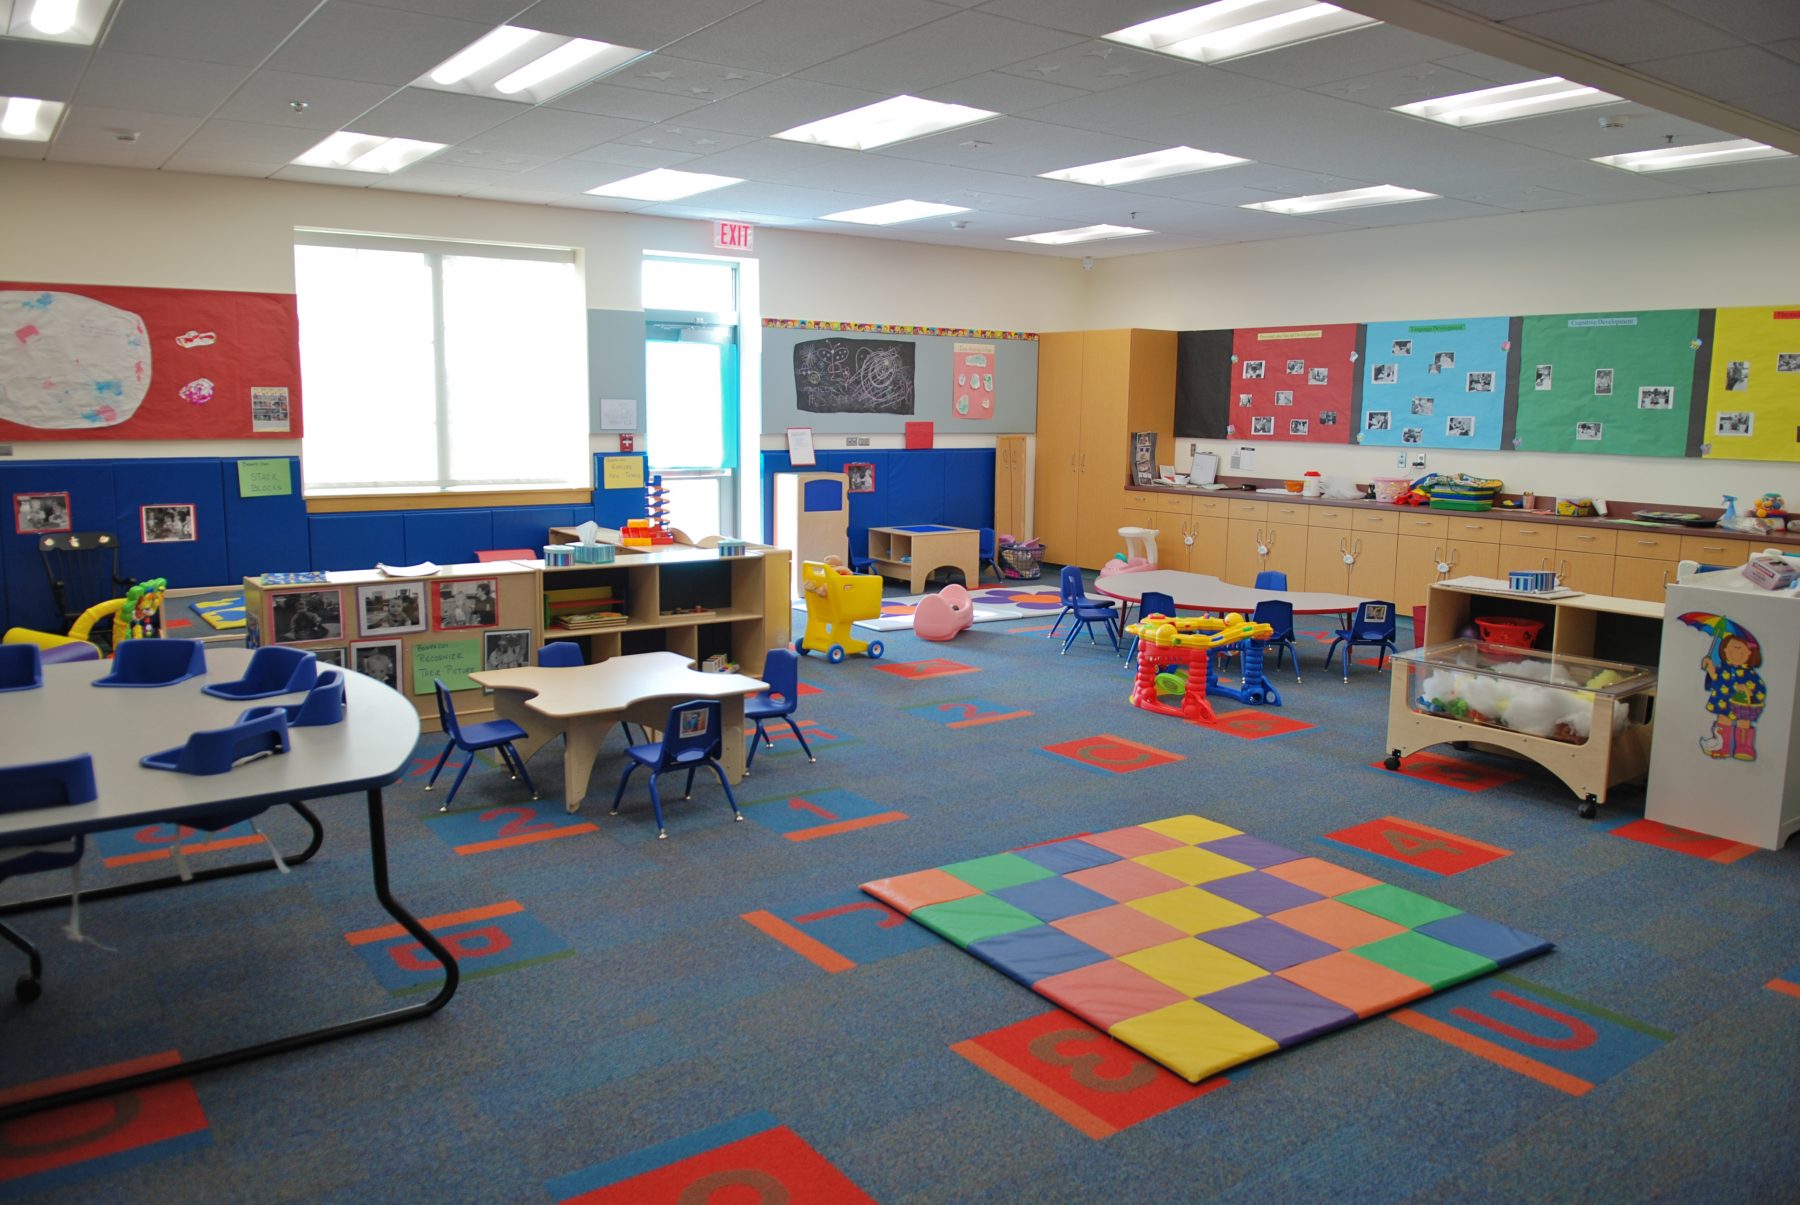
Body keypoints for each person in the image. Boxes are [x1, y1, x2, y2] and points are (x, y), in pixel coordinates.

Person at [1702, 631, 1764, 761]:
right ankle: (1722, 747)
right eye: (1727, 648)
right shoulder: (1723, 668)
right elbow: (1716, 679)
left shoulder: (1750, 674)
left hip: (1743, 706)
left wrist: (1748, 692)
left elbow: (1759, 689)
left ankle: (1744, 748)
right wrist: (1710, 668)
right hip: (1723, 703)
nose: (1730, 651)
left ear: (1749, 652)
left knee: (1743, 723)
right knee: (1723, 721)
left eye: (1737, 648)